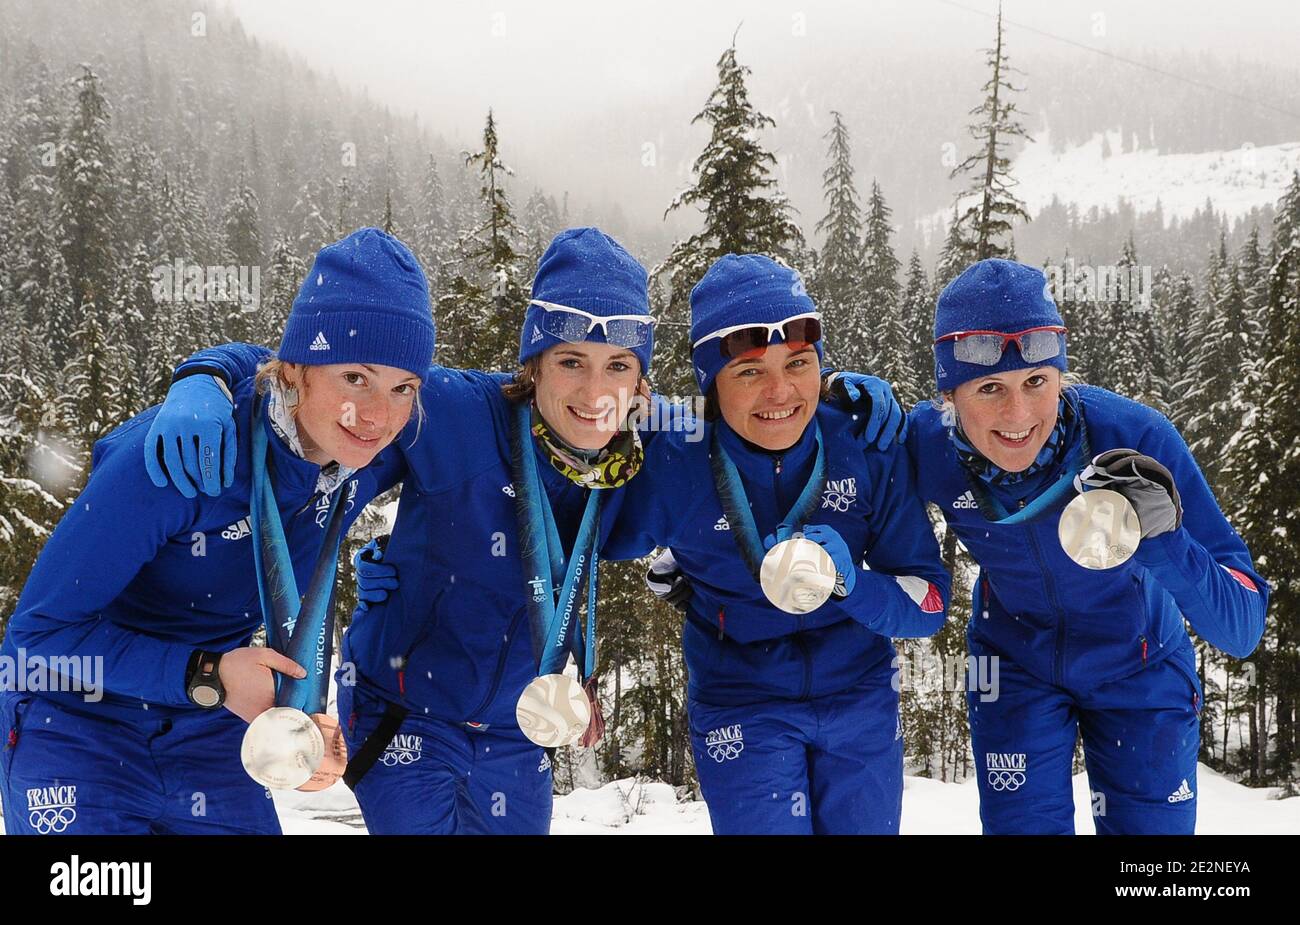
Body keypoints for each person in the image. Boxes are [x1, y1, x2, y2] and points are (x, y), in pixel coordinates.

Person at [147, 231, 908, 834]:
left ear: (643, 382)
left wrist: (843, 391)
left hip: (518, 731)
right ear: (533, 364)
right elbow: (327, 365)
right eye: (570, 360)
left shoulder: (651, 452)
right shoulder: (456, 414)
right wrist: (207, 376)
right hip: (410, 712)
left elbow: (752, 421)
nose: (594, 391)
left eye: (618, 365)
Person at [0, 227, 434, 834]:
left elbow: (515, 411)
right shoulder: (182, 456)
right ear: (296, 371)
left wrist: (293, 716)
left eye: (403, 387)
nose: (379, 416)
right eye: (354, 378)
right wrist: (207, 674)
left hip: (207, 733)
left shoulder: (364, 451)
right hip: (76, 726)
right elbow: (32, 643)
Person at [908, 257, 1269, 834]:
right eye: (989, 388)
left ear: (1059, 376)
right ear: (948, 394)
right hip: (1015, 666)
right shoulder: (926, 446)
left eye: (1036, 382)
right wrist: (849, 402)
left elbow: (1242, 626)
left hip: (1141, 665)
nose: (1018, 415)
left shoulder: (1134, 436)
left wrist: (1164, 539)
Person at [604, 254, 950, 834]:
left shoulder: (864, 441)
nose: (780, 391)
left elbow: (930, 605)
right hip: (739, 696)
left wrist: (854, 583)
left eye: (800, 363)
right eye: (747, 371)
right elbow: (580, 537)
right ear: (710, 384)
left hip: (860, 693)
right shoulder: (674, 454)